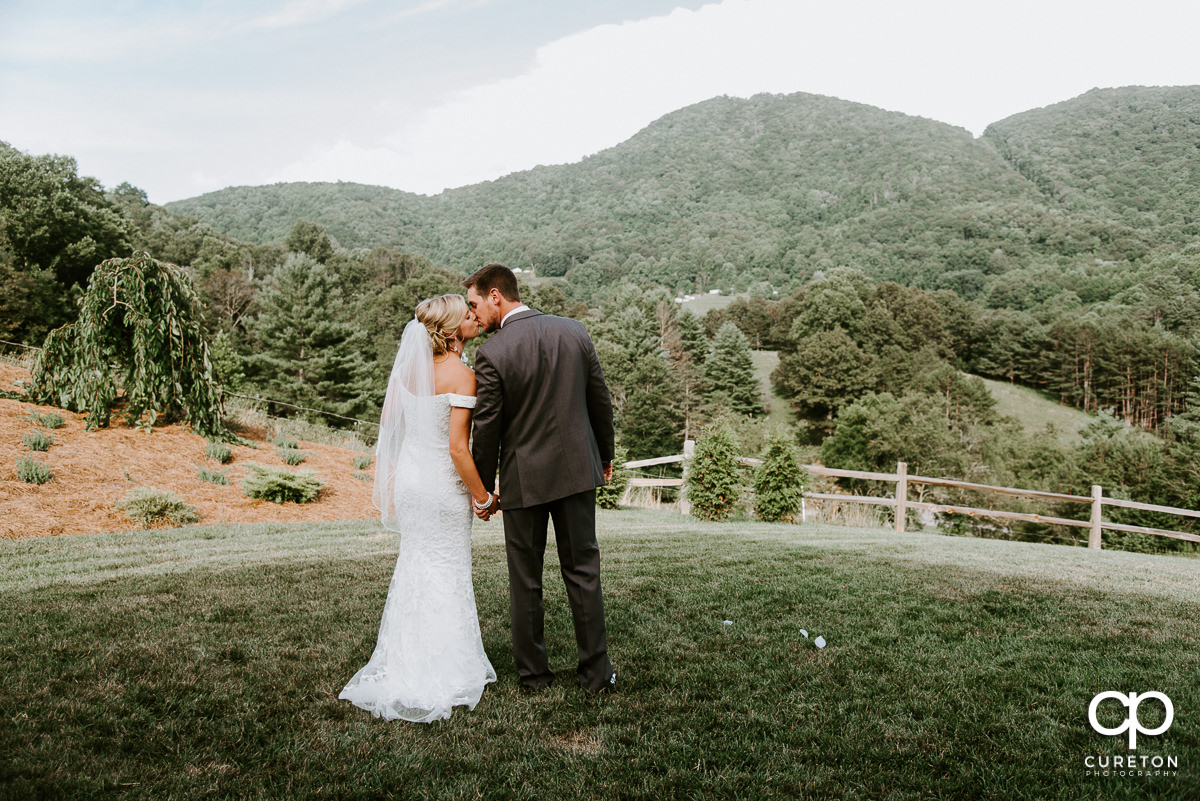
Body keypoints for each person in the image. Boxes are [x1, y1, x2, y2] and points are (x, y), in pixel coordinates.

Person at [339, 294, 496, 722]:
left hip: (410, 479)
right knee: (446, 567)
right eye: (465, 315)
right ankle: (448, 667)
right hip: (442, 485)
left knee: (416, 564)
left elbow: (392, 425)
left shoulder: (406, 369)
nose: (472, 317)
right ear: (448, 332)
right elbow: (459, 451)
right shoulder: (463, 377)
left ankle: (407, 661)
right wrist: (483, 496)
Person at [463, 264, 617, 693]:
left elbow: (486, 429)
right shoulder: (574, 331)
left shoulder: (493, 353)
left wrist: (484, 490)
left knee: (525, 580)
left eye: (475, 304)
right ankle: (596, 676)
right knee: (584, 571)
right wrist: (603, 456)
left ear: (496, 295)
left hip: (523, 481)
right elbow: (599, 402)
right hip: (576, 472)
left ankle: (534, 677)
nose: (474, 315)